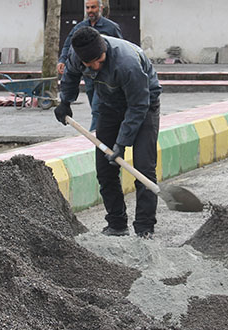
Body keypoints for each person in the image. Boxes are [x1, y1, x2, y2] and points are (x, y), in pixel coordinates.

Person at [54, 26, 161, 239]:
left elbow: (138, 105)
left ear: (105, 51)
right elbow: (71, 76)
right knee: (105, 169)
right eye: (89, 64)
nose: (94, 67)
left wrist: (122, 143)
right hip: (110, 105)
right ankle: (116, 223)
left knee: (144, 168)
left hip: (144, 106)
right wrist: (65, 101)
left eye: (99, 62)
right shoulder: (77, 56)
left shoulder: (127, 63)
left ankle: (144, 229)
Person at [57, 0, 123, 130]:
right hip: (88, 76)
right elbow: (68, 45)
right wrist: (62, 60)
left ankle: (96, 133)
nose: (90, 10)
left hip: (105, 75)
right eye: (88, 8)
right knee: (95, 106)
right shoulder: (79, 28)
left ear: (101, 8)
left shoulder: (111, 27)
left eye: (93, 7)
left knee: (99, 108)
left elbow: (120, 50)